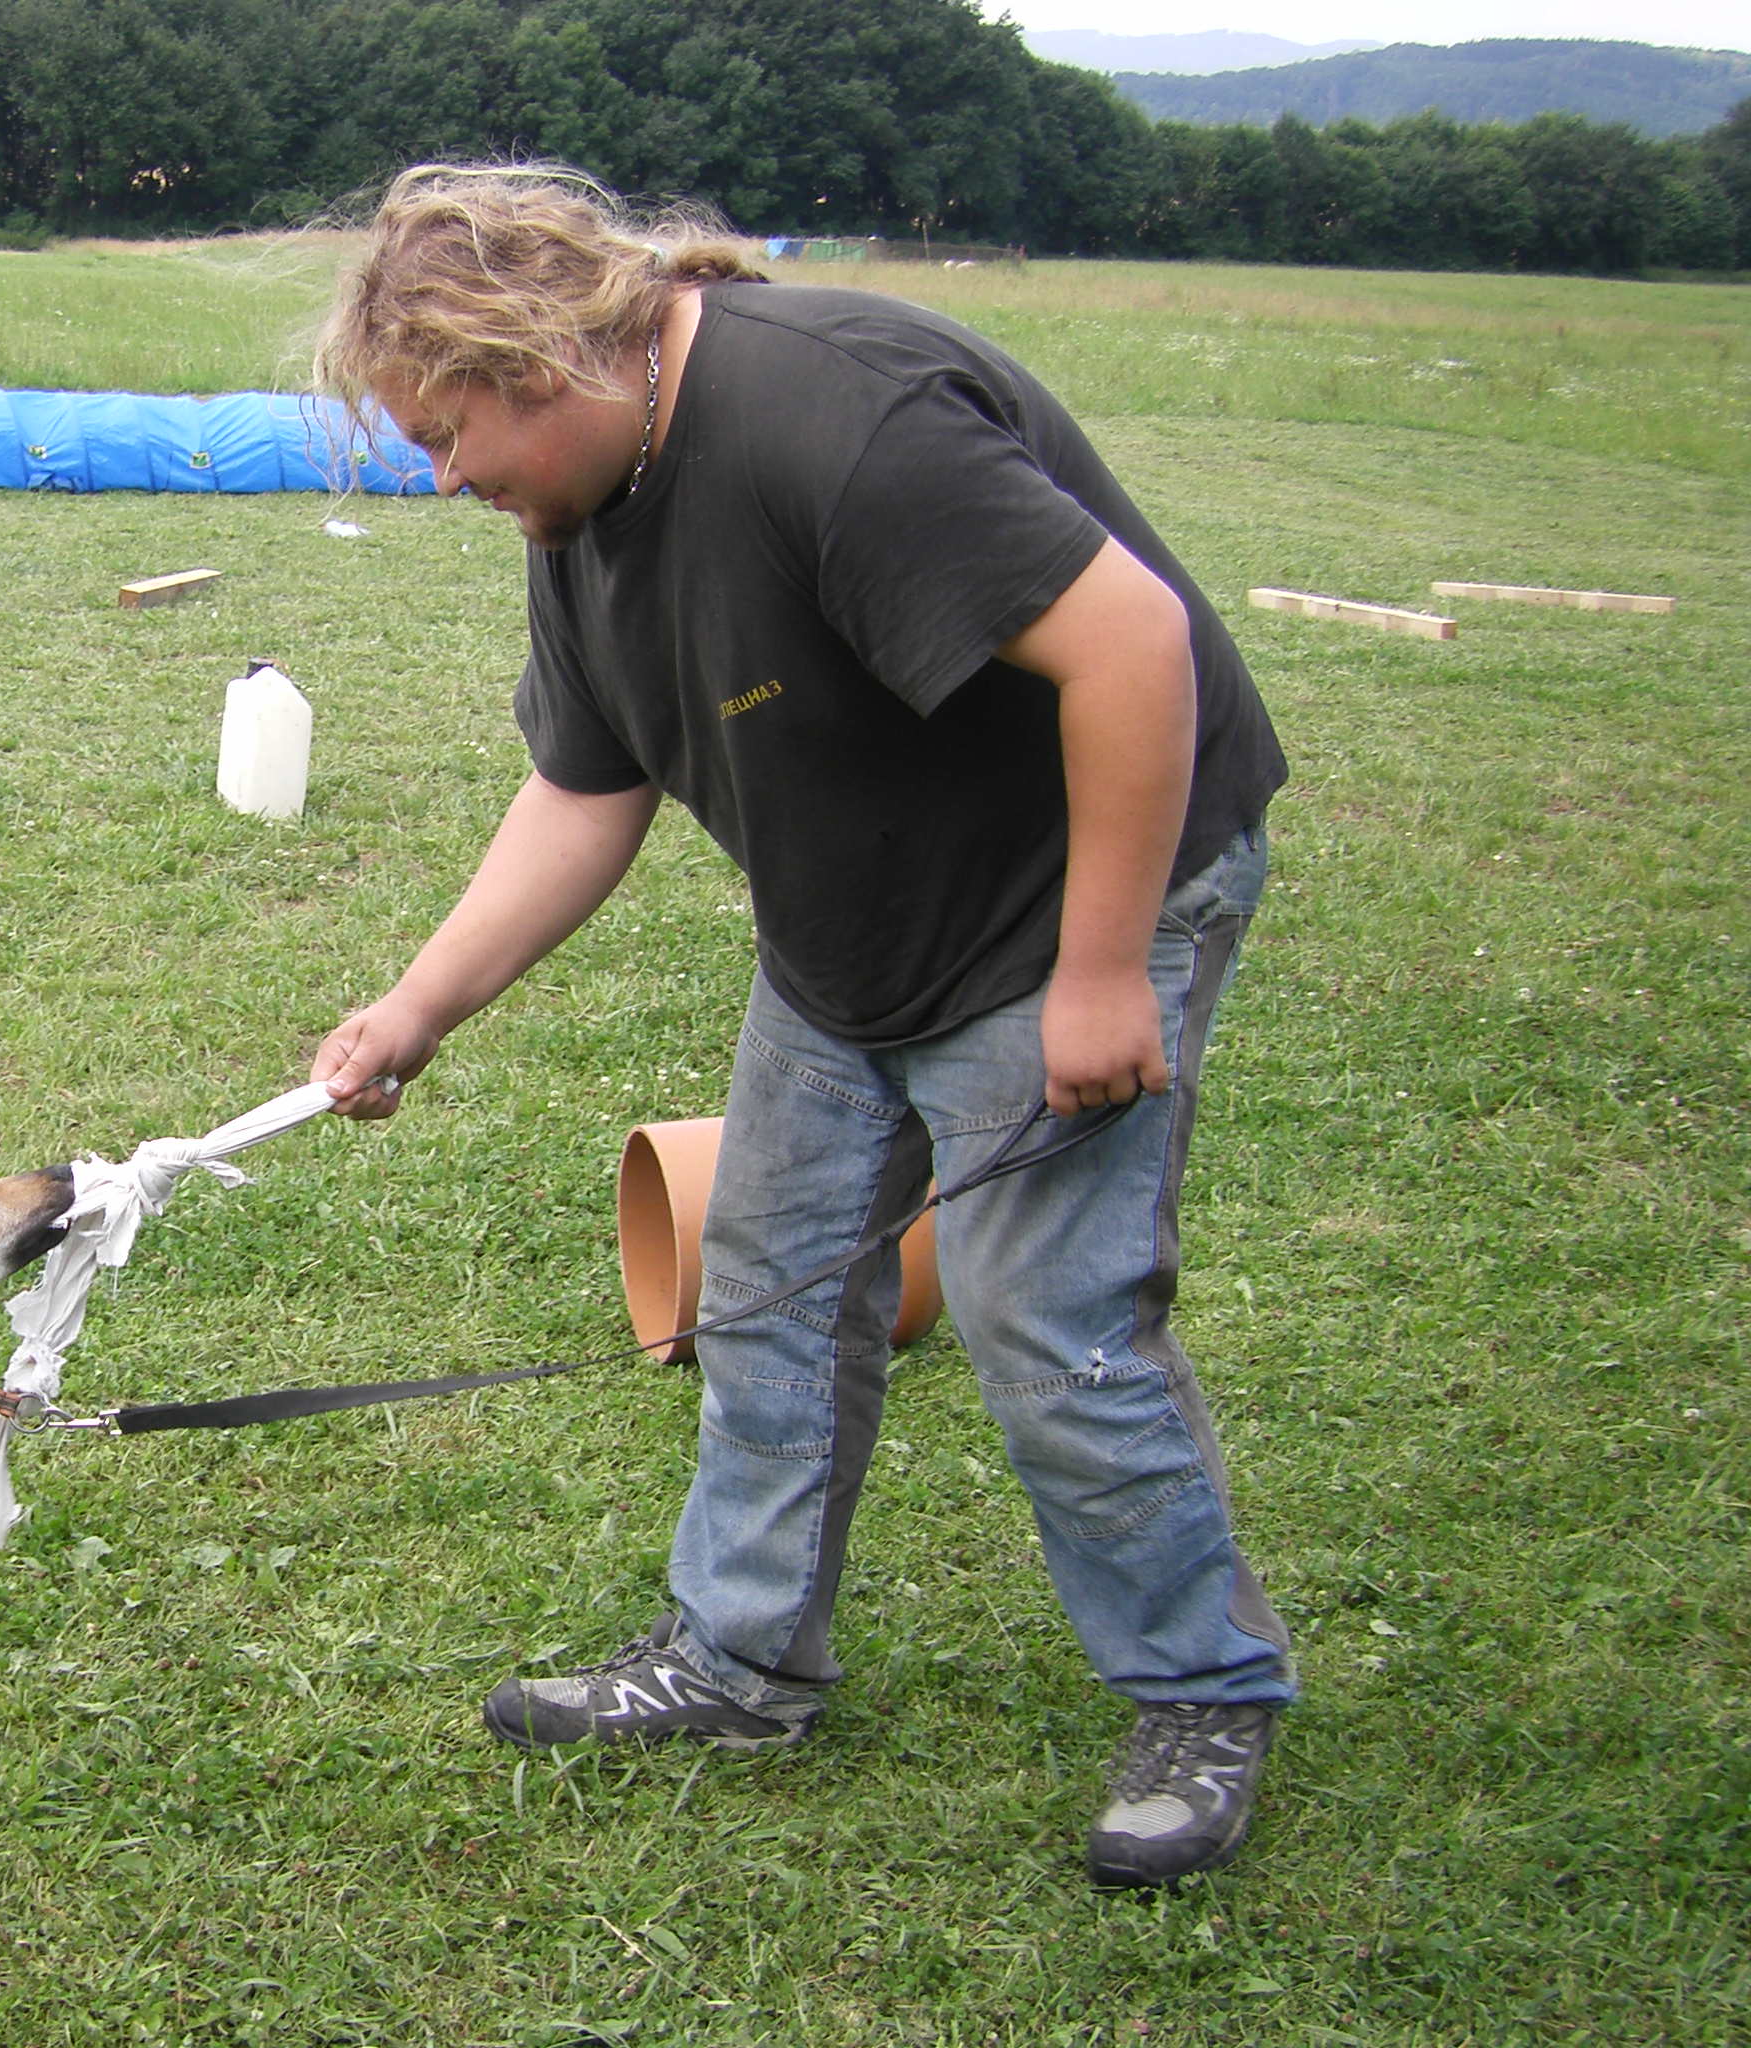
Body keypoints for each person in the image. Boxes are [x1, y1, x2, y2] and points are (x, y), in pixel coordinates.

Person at [306, 164, 1296, 1888]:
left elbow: (1137, 645)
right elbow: (581, 791)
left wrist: (1099, 969)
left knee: (1043, 1315)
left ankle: (1203, 1687)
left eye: (450, 431)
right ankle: (740, 1660)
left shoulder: (827, 418)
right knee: (761, 1285)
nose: (442, 475)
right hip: (852, 937)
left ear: (547, 357)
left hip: (1065, 903)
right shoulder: (581, 510)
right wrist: (417, 1007)